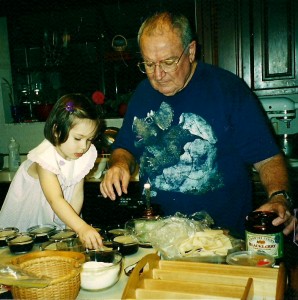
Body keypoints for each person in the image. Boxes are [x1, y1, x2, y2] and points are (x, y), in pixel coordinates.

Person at [100, 11, 295, 236]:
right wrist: (120, 165)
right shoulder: (142, 94)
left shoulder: (228, 90)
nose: (158, 74)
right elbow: (124, 148)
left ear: (190, 51)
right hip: (159, 237)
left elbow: (268, 158)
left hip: (223, 238)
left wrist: (279, 196)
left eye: (168, 62)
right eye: (149, 64)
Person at [0, 93, 103, 249]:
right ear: (56, 130)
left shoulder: (82, 155)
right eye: (78, 138)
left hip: (58, 218)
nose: (84, 146)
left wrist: (72, 228)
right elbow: (55, 199)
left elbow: (77, 196)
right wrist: (82, 227)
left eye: (89, 139)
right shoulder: (44, 157)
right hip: (29, 219)